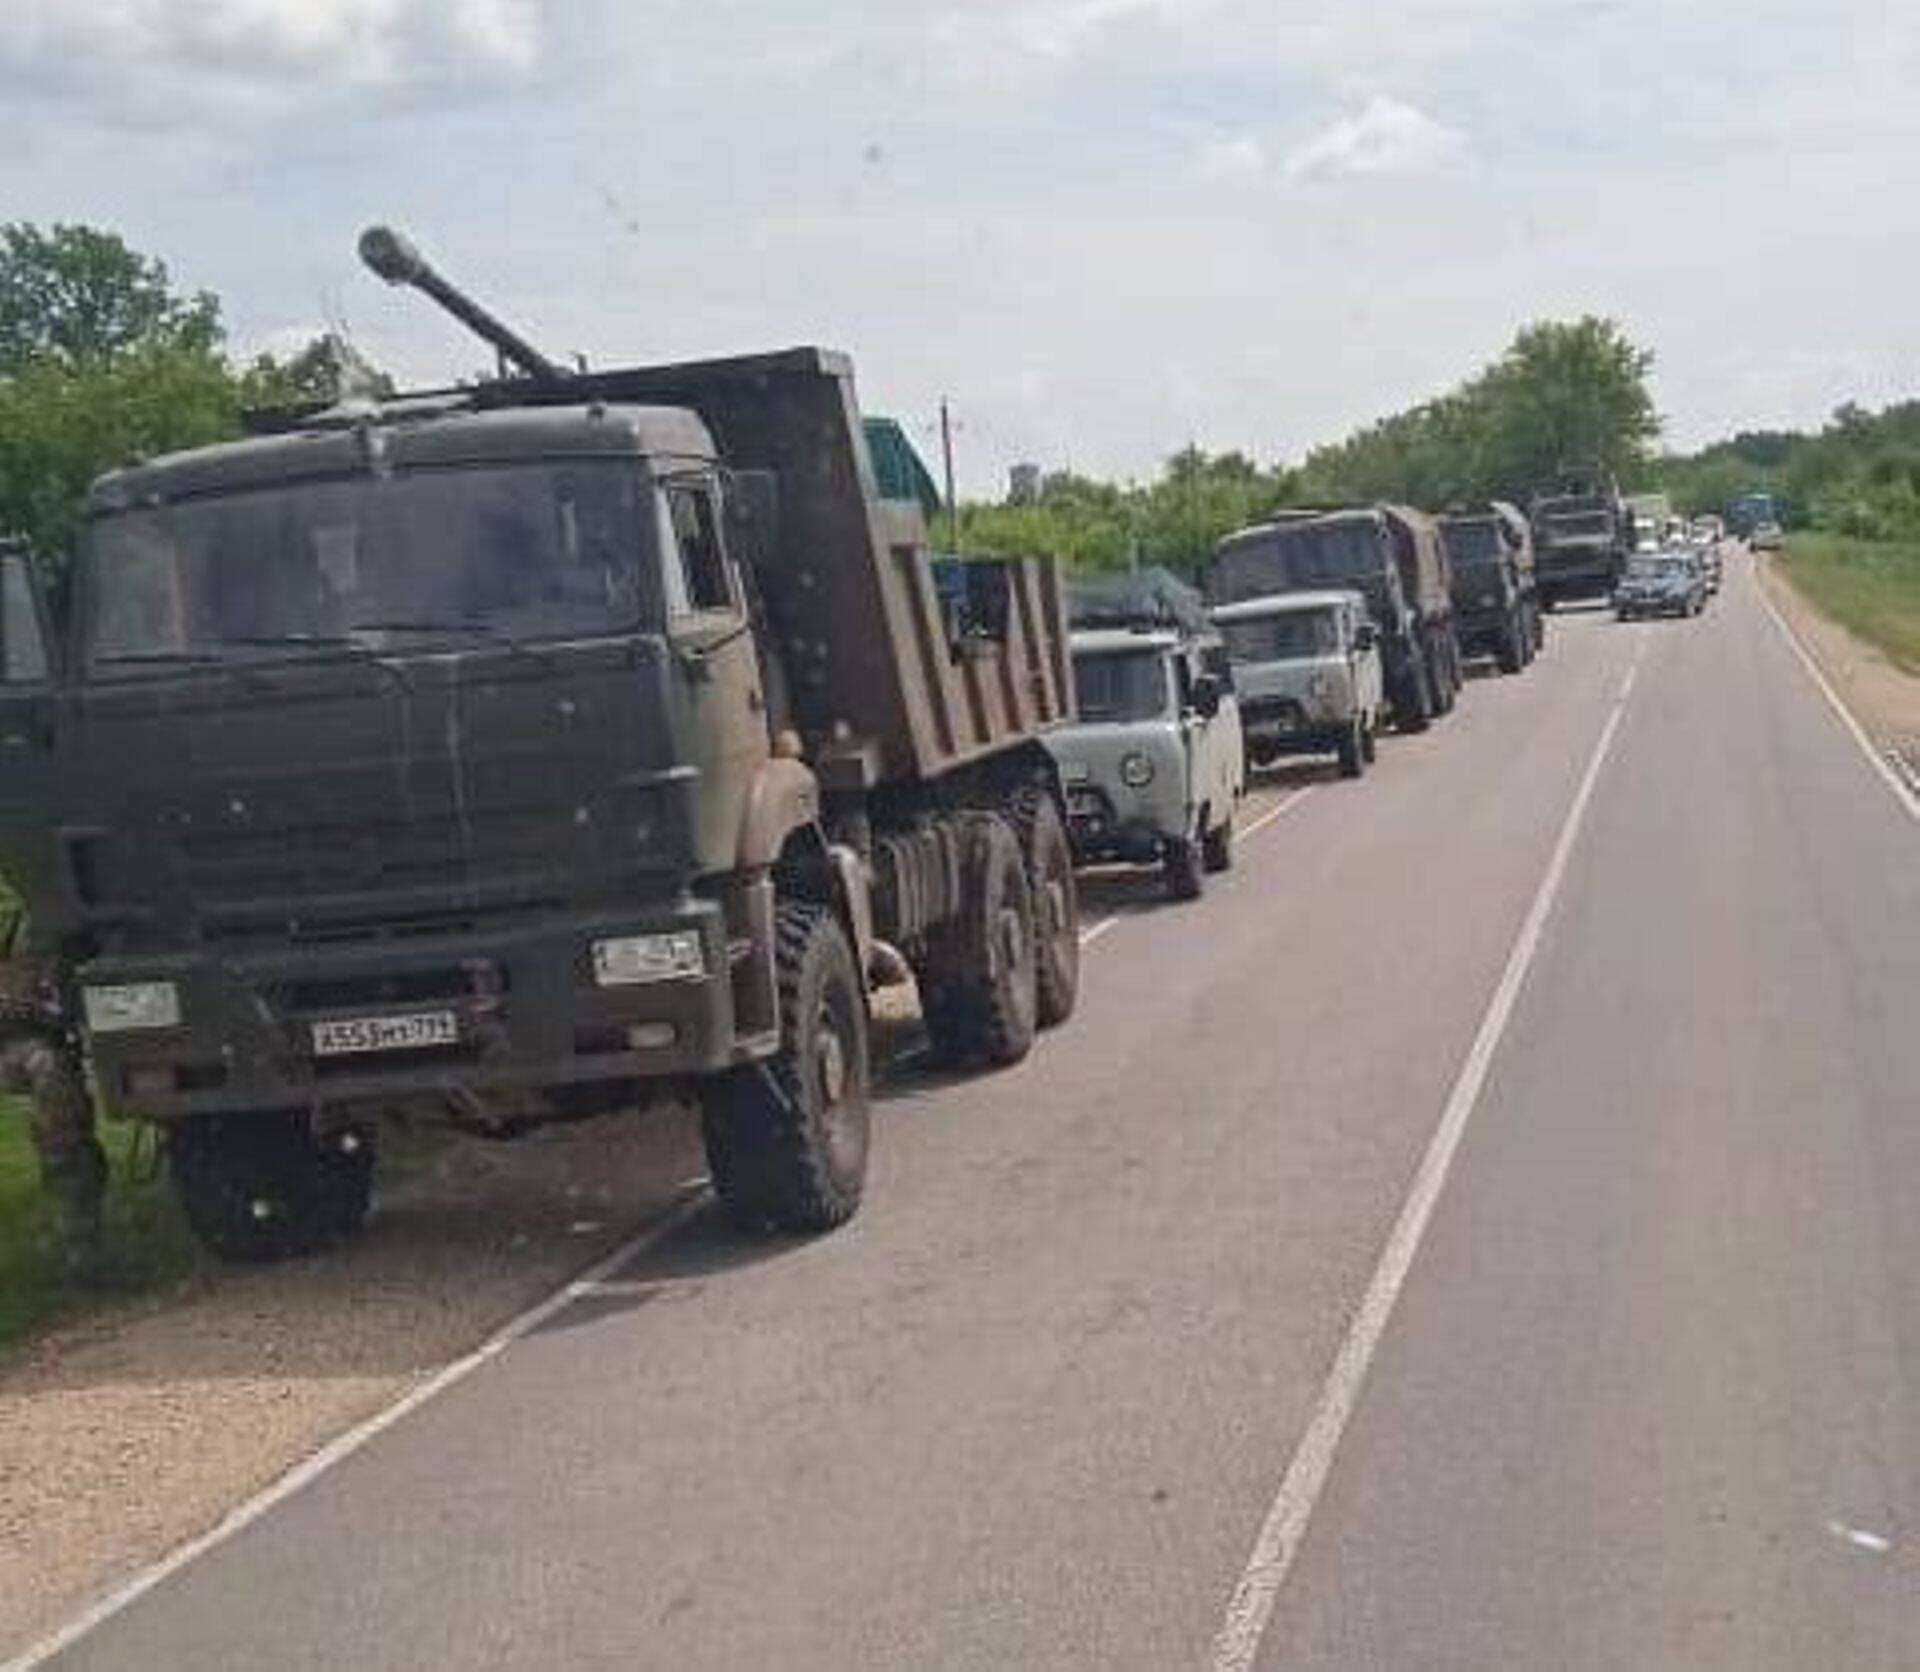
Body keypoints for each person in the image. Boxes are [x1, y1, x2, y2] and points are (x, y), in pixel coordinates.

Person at [0, 907, 106, 1274]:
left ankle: (80, 1249)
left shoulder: (44, 924)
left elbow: (69, 1002)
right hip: (21, 1048)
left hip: (38, 1049)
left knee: (63, 1135)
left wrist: (38, 1010)